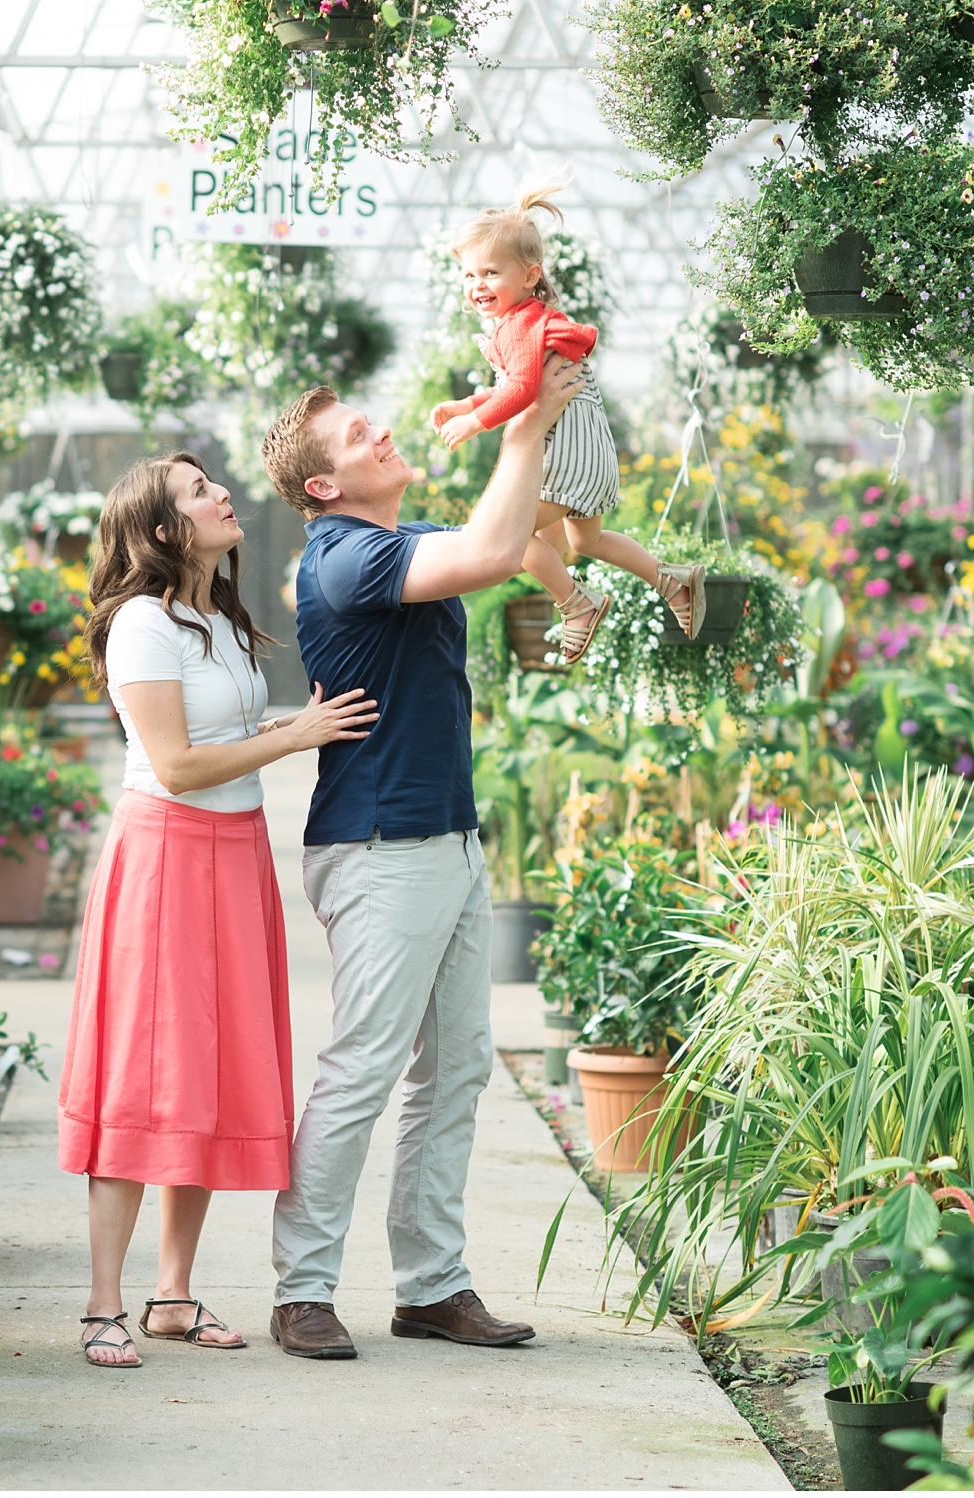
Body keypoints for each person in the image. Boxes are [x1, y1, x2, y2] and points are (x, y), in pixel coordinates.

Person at [255, 361, 586, 1361]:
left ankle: (430, 1285)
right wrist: (520, 420)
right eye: (360, 436)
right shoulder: (343, 559)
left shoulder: (392, 537)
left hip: (444, 835)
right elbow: (490, 551)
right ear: (322, 486)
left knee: (456, 1069)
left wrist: (578, 582)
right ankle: (301, 1288)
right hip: (378, 847)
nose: (382, 434)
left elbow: (517, 540)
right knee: (363, 1067)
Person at [58, 450, 381, 1370]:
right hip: (162, 855)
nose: (222, 495)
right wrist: (297, 736)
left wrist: (294, 726)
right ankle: (101, 1304)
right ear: (163, 530)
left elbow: (230, 746)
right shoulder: (140, 627)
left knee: (199, 1070)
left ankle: (172, 1295)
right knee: (139, 1072)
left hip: (233, 856)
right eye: (199, 492)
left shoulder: (219, 620)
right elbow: (178, 766)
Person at [430, 183, 707, 664]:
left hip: (566, 456)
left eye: (491, 272)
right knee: (587, 539)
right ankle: (671, 580)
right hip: (588, 452)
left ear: (529, 275)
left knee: (508, 539)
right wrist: (467, 401)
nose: (477, 284)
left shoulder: (519, 324)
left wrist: (475, 421)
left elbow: (519, 392)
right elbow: (520, 382)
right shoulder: (532, 320)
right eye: (470, 273)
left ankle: (577, 604)